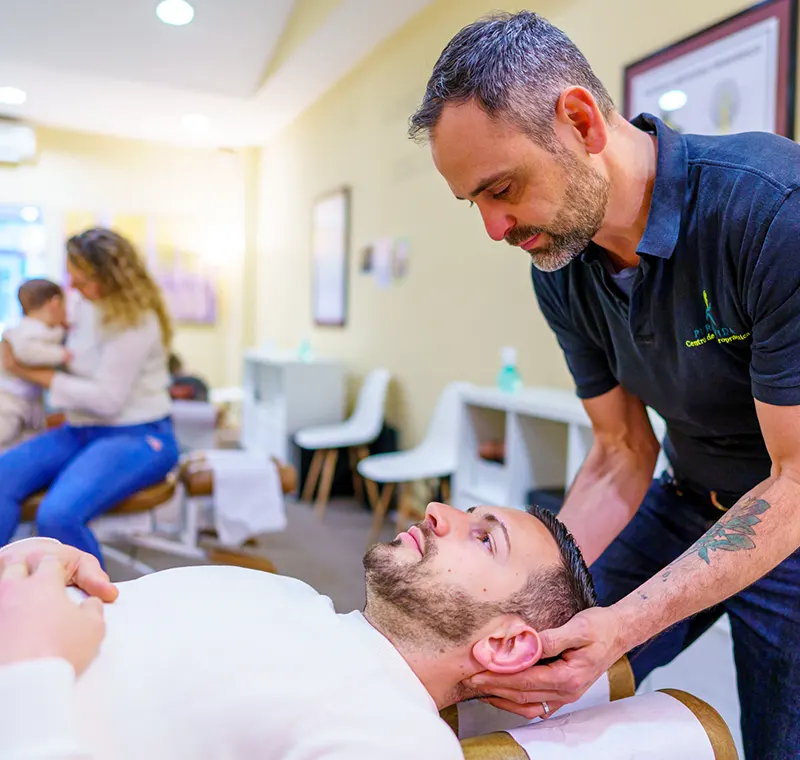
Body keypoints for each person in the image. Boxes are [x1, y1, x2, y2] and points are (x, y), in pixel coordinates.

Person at [409, 11, 800, 759]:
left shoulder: (771, 211)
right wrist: (505, 594)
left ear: (581, 121)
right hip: (688, 498)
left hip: (792, 509)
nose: (495, 228)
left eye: (502, 187)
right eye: (476, 204)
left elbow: (796, 479)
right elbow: (622, 450)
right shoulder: (562, 268)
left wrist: (624, 622)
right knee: (532, 667)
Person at [0, 501, 595, 759]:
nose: (439, 512)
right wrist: (32, 566)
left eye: (484, 538)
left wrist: (29, 667)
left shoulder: (397, 739)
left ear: (506, 643)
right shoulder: (288, 594)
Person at [0, 228, 179, 567]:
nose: (73, 287)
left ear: (110, 278)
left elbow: (107, 400)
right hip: (81, 430)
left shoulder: (137, 321)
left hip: (139, 434)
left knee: (58, 515)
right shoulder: (83, 304)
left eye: (81, 279)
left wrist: (31, 373)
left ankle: (95, 607)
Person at [0, 279, 70, 447]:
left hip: (27, 400)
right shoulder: (31, 329)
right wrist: (61, 355)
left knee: (25, 439)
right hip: (9, 398)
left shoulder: (41, 330)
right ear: (55, 303)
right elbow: (25, 352)